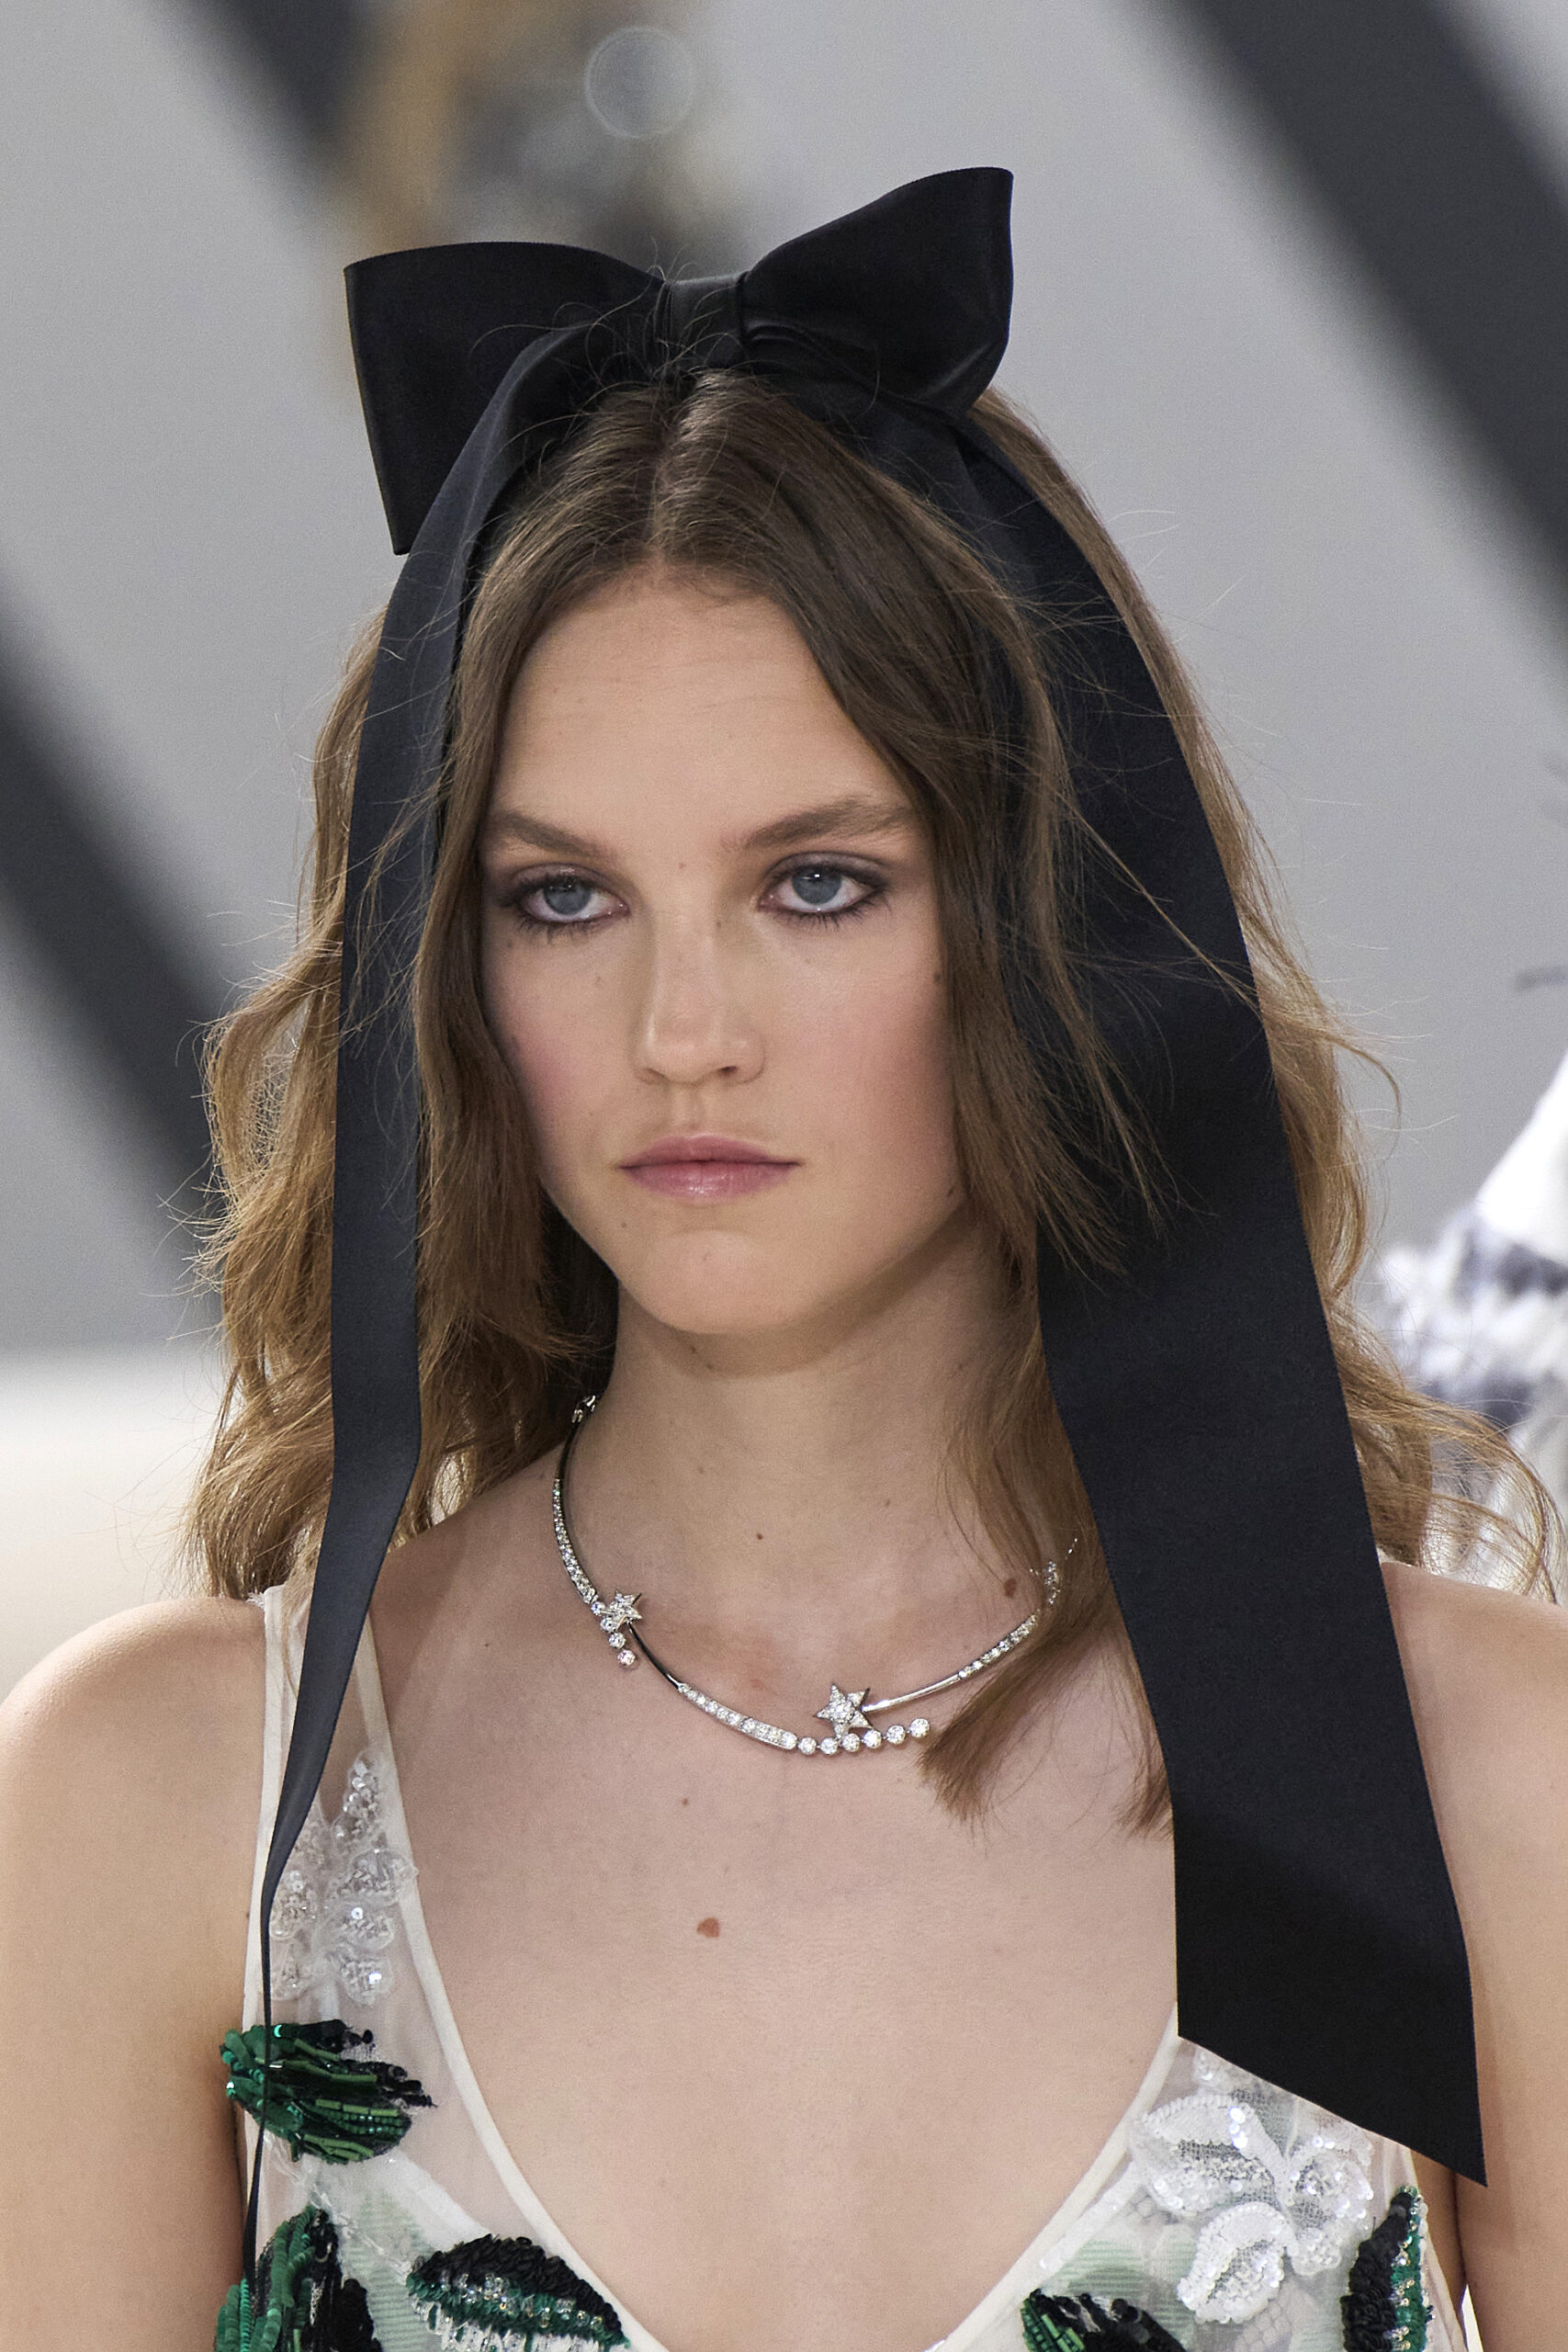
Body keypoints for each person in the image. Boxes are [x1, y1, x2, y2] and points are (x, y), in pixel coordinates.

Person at [0, 172, 1563, 2352]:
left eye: (815, 883)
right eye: (561, 898)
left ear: (1048, 917)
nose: (681, 1031)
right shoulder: (154, 1800)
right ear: (449, 970)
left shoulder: (1478, 1773)